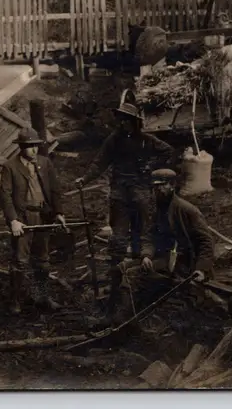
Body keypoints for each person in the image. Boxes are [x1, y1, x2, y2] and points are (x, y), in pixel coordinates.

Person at [74, 101, 178, 317]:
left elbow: (168, 151)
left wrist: (151, 167)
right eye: (120, 119)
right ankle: (116, 284)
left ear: (134, 122)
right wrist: (85, 179)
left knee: (143, 234)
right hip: (120, 194)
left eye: (127, 120)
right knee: (118, 238)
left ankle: (140, 279)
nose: (123, 123)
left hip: (140, 192)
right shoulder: (114, 140)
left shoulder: (146, 140)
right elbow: (99, 162)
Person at [110, 169, 216, 323]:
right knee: (119, 269)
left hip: (183, 262)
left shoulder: (187, 210)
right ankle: (114, 312)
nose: (157, 189)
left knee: (132, 274)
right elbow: (148, 236)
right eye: (154, 186)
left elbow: (206, 241)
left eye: (162, 185)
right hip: (163, 257)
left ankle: (123, 321)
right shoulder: (155, 208)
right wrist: (146, 255)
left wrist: (201, 269)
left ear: (172, 185)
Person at [0, 127, 68, 314]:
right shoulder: (10, 167)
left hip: (43, 215)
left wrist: (58, 213)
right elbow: (5, 195)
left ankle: (43, 297)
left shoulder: (45, 163)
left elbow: (55, 190)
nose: (34, 150)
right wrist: (13, 220)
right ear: (21, 147)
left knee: (43, 260)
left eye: (36, 146)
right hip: (23, 218)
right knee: (20, 261)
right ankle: (15, 301)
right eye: (29, 147)